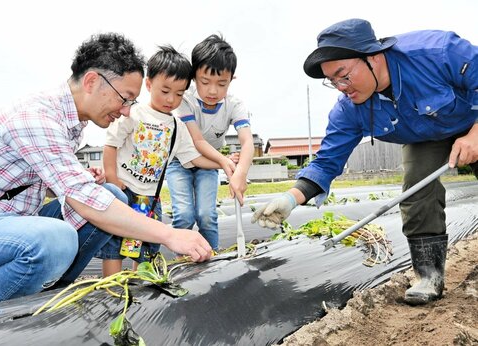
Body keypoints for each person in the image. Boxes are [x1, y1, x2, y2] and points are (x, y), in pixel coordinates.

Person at [252, 19, 477, 305]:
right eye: (332, 81)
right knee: (417, 188)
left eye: (343, 75)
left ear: (372, 56)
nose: (340, 87)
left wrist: (476, 134)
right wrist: (291, 199)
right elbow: (327, 161)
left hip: (473, 118)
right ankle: (429, 275)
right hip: (426, 137)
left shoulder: (436, 52)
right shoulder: (350, 109)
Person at [0, 33, 212, 306]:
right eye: (125, 99)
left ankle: (49, 294)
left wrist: (80, 179)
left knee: (111, 194)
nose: (126, 112)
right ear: (91, 82)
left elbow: (47, 182)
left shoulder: (71, 123)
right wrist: (170, 234)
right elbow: (82, 197)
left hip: (12, 222)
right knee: (56, 239)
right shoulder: (36, 117)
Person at [99, 45, 220, 276]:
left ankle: (141, 285)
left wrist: (224, 163)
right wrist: (113, 180)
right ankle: (111, 286)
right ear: (148, 84)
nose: (171, 99)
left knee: (146, 247)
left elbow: (193, 158)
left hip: (150, 198)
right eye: (165, 91)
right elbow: (110, 144)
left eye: (179, 94)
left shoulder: (177, 126)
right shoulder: (133, 113)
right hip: (124, 191)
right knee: (114, 246)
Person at [165, 34, 254, 251]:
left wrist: (240, 171)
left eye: (222, 83)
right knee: (184, 215)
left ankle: (212, 262)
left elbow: (248, 142)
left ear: (232, 79)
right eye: (205, 82)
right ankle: (182, 264)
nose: (213, 91)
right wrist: (225, 162)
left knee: (207, 215)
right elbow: (197, 141)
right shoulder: (184, 101)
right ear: (194, 78)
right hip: (180, 162)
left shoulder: (234, 105)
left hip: (210, 163)